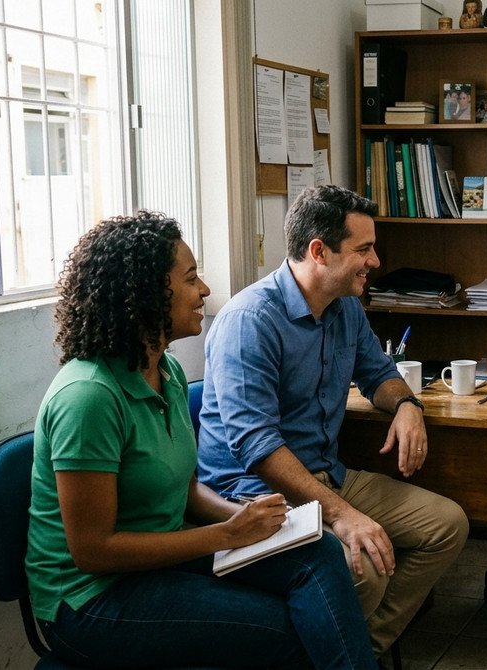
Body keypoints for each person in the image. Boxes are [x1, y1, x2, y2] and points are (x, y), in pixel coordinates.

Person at [25, 211, 376, 669]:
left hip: (159, 561)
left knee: (319, 550)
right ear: (144, 295)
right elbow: (93, 550)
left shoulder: (164, 370)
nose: (205, 291)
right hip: (92, 601)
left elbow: (184, 490)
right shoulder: (88, 397)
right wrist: (227, 534)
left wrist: (257, 523)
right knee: (291, 628)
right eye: (191, 279)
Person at [197, 185, 469, 660]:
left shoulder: (344, 306)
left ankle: (356, 651)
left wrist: (407, 406)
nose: (376, 261)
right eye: (364, 249)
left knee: (446, 525)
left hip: (326, 477)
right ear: (318, 251)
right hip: (256, 496)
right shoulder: (250, 320)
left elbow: (379, 373)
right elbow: (255, 447)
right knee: (365, 567)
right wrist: (345, 517)